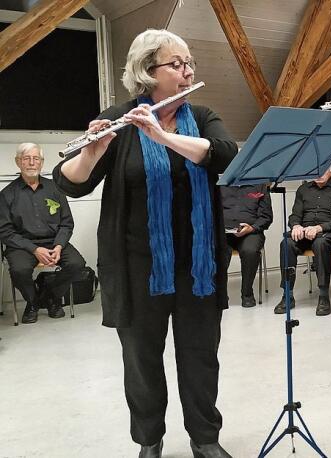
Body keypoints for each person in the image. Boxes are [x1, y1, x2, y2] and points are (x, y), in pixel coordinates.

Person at [53, 29, 237, 458]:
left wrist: (164, 137)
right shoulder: (120, 117)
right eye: (177, 64)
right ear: (146, 72)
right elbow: (70, 183)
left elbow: (225, 154)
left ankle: (205, 439)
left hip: (198, 266)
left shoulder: (203, 115)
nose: (188, 70)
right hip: (138, 267)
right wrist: (92, 152)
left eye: (189, 63)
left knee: (200, 358)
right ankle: (149, 439)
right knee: (141, 362)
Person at [0, 142, 86, 324]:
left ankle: (51, 296)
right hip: (22, 245)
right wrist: (34, 249)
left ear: (41, 162)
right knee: (20, 270)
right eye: (26, 159)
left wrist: (59, 246)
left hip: (54, 241)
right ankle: (32, 303)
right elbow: (5, 232)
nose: (31, 163)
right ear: (18, 162)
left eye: (36, 158)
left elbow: (66, 223)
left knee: (77, 264)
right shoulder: (6, 195)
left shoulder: (56, 188)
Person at [274, 165, 331, 316]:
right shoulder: (303, 190)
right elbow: (295, 215)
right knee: (286, 243)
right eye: (315, 170)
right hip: (305, 231)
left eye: (323, 170)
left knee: (320, 243)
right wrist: (295, 226)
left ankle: (323, 295)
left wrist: (319, 228)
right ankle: (287, 294)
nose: (319, 174)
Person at [220, 183, 272, 308]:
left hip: (251, 232)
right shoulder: (219, 186)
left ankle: (247, 294)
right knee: (217, 251)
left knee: (250, 251)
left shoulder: (260, 186)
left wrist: (253, 228)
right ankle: (220, 294)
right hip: (224, 232)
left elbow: (266, 217)